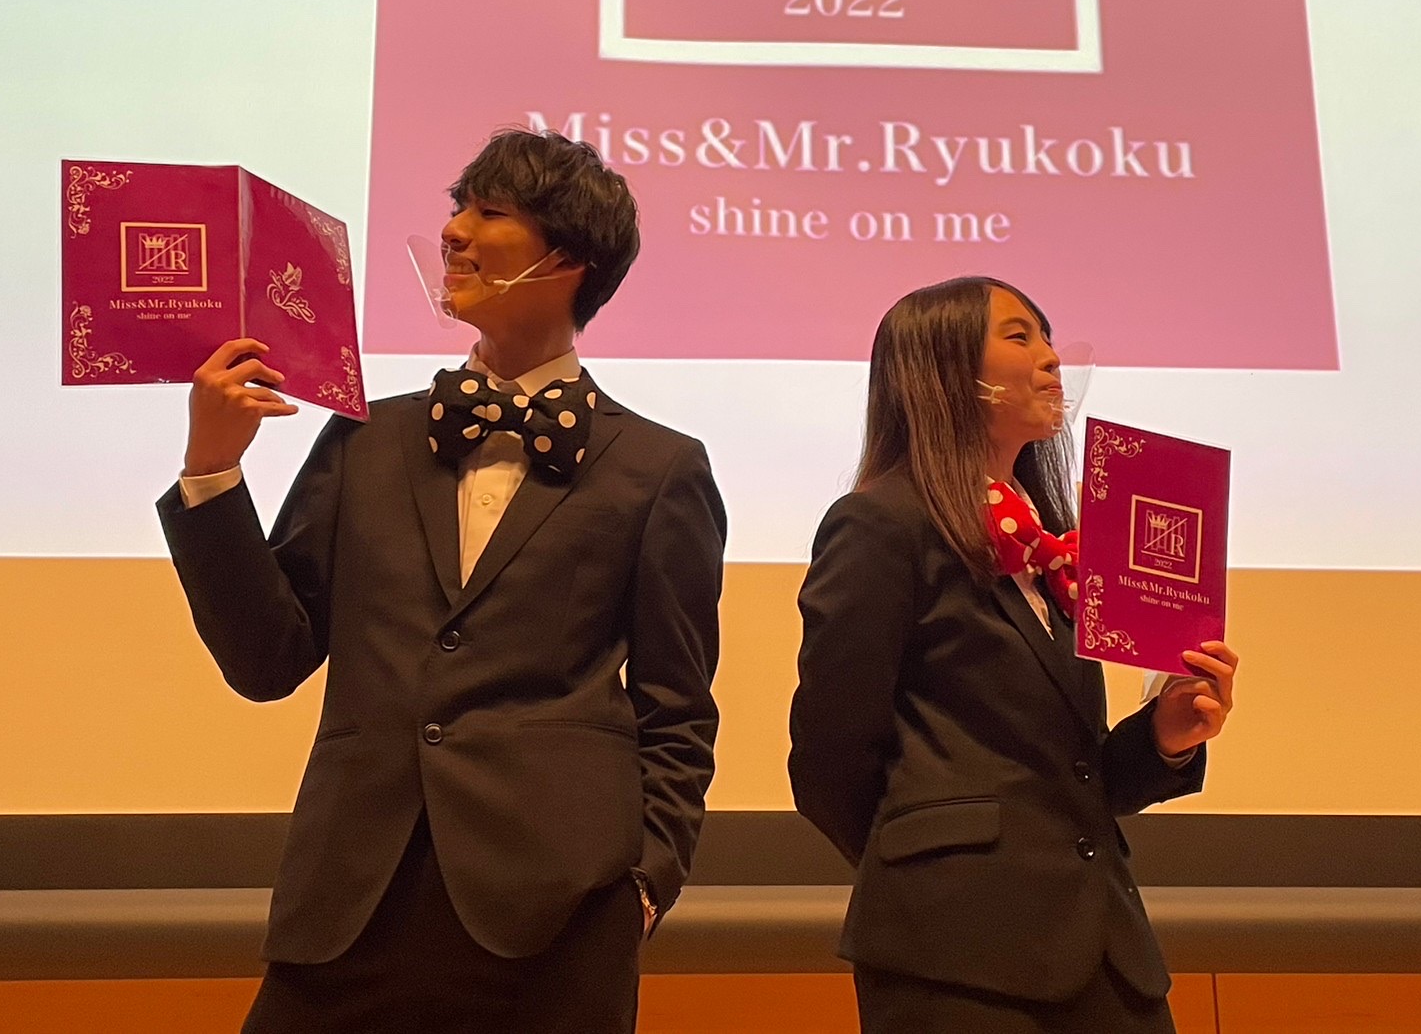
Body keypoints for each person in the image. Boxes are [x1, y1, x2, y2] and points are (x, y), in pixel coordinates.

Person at [157, 129, 727, 1033]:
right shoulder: (365, 436)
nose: (453, 232)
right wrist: (213, 471)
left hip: (560, 914)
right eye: (455, 209)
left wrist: (645, 882)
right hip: (349, 900)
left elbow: (677, 705)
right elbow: (267, 660)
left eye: (488, 212)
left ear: (567, 257)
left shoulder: (658, 467)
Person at [788, 276, 1238, 1033]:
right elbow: (829, 757)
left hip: (1105, 951)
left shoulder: (1051, 542)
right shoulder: (881, 522)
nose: (1052, 358)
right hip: (955, 956)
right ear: (942, 367)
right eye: (1020, 336)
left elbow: (1073, 777)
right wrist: (929, 868)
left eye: (1048, 337)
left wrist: (1164, 737)